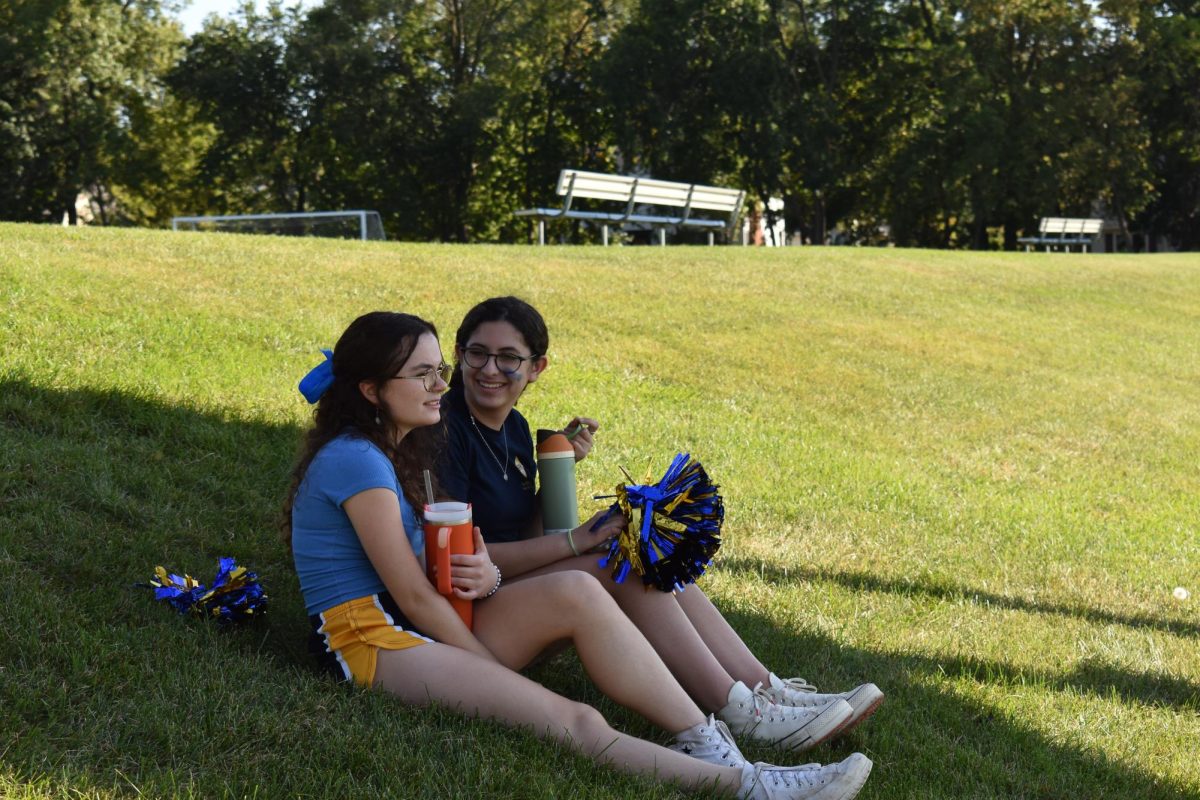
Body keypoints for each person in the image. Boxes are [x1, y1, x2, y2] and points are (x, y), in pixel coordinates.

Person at [285, 311, 874, 800]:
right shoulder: (357, 460)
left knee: (580, 589)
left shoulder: (398, 450)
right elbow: (410, 594)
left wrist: (487, 576)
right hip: (369, 641)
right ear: (372, 391)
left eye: (438, 370)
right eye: (423, 375)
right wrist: (483, 666)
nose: (442, 384)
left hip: (421, 620)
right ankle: (746, 785)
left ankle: (704, 731)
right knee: (575, 721)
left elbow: (430, 578)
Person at [438, 297, 884, 752]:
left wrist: (559, 468)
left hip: (505, 595)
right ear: (458, 353)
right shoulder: (445, 431)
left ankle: (763, 689)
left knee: (638, 547)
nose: (490, 369)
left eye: (509, 358)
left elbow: (523, 539)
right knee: (617, 562)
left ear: (537, 368)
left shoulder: (512, 428)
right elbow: (456, 561)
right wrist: (579, 540)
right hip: (463, 621)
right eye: (478, 353)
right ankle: (738, 709)